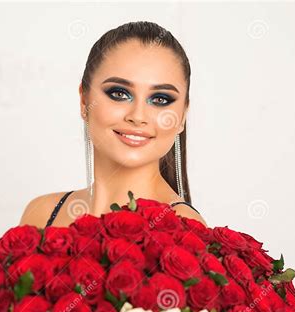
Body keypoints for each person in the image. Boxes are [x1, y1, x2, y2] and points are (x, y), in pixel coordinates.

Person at [20, 21, 208, 229]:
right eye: (119, 94)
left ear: (182, 116)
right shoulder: (41, 213)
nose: (137, 116)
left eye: (160, 99)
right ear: (84, 101)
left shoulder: (184, 226)